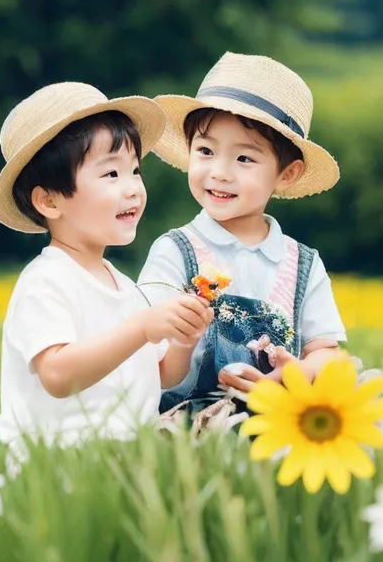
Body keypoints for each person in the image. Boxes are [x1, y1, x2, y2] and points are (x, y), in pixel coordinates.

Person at [0, 81, 214, 463]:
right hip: (58, 464)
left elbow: (161, 375)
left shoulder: (124, 286)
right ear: (49, 200)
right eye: (111, 175)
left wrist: (184, 339)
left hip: (125, 459)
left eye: (135, 170)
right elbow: (58, 376)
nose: (132, 189)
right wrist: (142, 327)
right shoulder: (46, 282)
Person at [138, 52, 347, 417]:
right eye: (205, 151)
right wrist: (182, 335)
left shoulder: (302, 264)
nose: (219, 172)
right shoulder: (175, 251)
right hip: (188, 412)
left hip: (278, 415)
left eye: (244, 159)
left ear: (287, 174)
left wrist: (294, 374)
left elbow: (326, 352)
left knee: (361, 389)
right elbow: (146, 350)